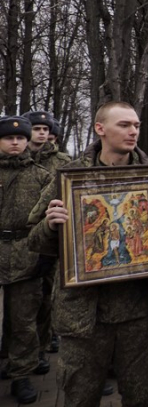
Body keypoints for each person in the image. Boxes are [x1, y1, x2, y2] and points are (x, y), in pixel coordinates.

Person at [27, 101, 148, 407]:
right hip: (85, 322)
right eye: (124, 125)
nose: (133, 131)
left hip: (142, 317)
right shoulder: (69, 178)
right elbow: (35, 239)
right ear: (100, 129)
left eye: (136, 124)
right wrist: (51, 226)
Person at [0, 116, 53, 404]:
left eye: (20, 138)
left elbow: (47, 220)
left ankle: (21, 374)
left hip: (26, 254)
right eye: (9, 138)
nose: (16, 142)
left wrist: (43, 256)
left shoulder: (41, 175)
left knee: (24, 320)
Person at [23, 111, 70, 359]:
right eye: (36, 128)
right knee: (25, 300)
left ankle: (46, 340)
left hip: (51, 237)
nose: (41, 133)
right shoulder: (17, 158)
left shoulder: (61, 161)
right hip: (21, 240)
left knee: (48, 293)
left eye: (45, 129)